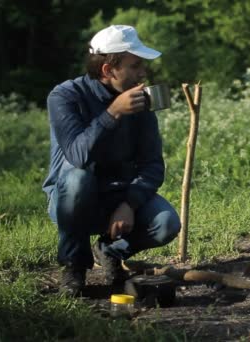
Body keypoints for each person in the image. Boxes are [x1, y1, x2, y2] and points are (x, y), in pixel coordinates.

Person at [42, 25, 181, 296]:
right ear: (108, 70)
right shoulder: (65, 96)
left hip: (118, 194)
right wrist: (113, 113)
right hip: (72, 199)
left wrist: (129, 203)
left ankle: (109, 250)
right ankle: (74, 266)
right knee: (77, 177)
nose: (143, 73)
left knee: (166, 224)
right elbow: (78, 155)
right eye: (135, 66)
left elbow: (152, 165)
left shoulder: (141, 100)